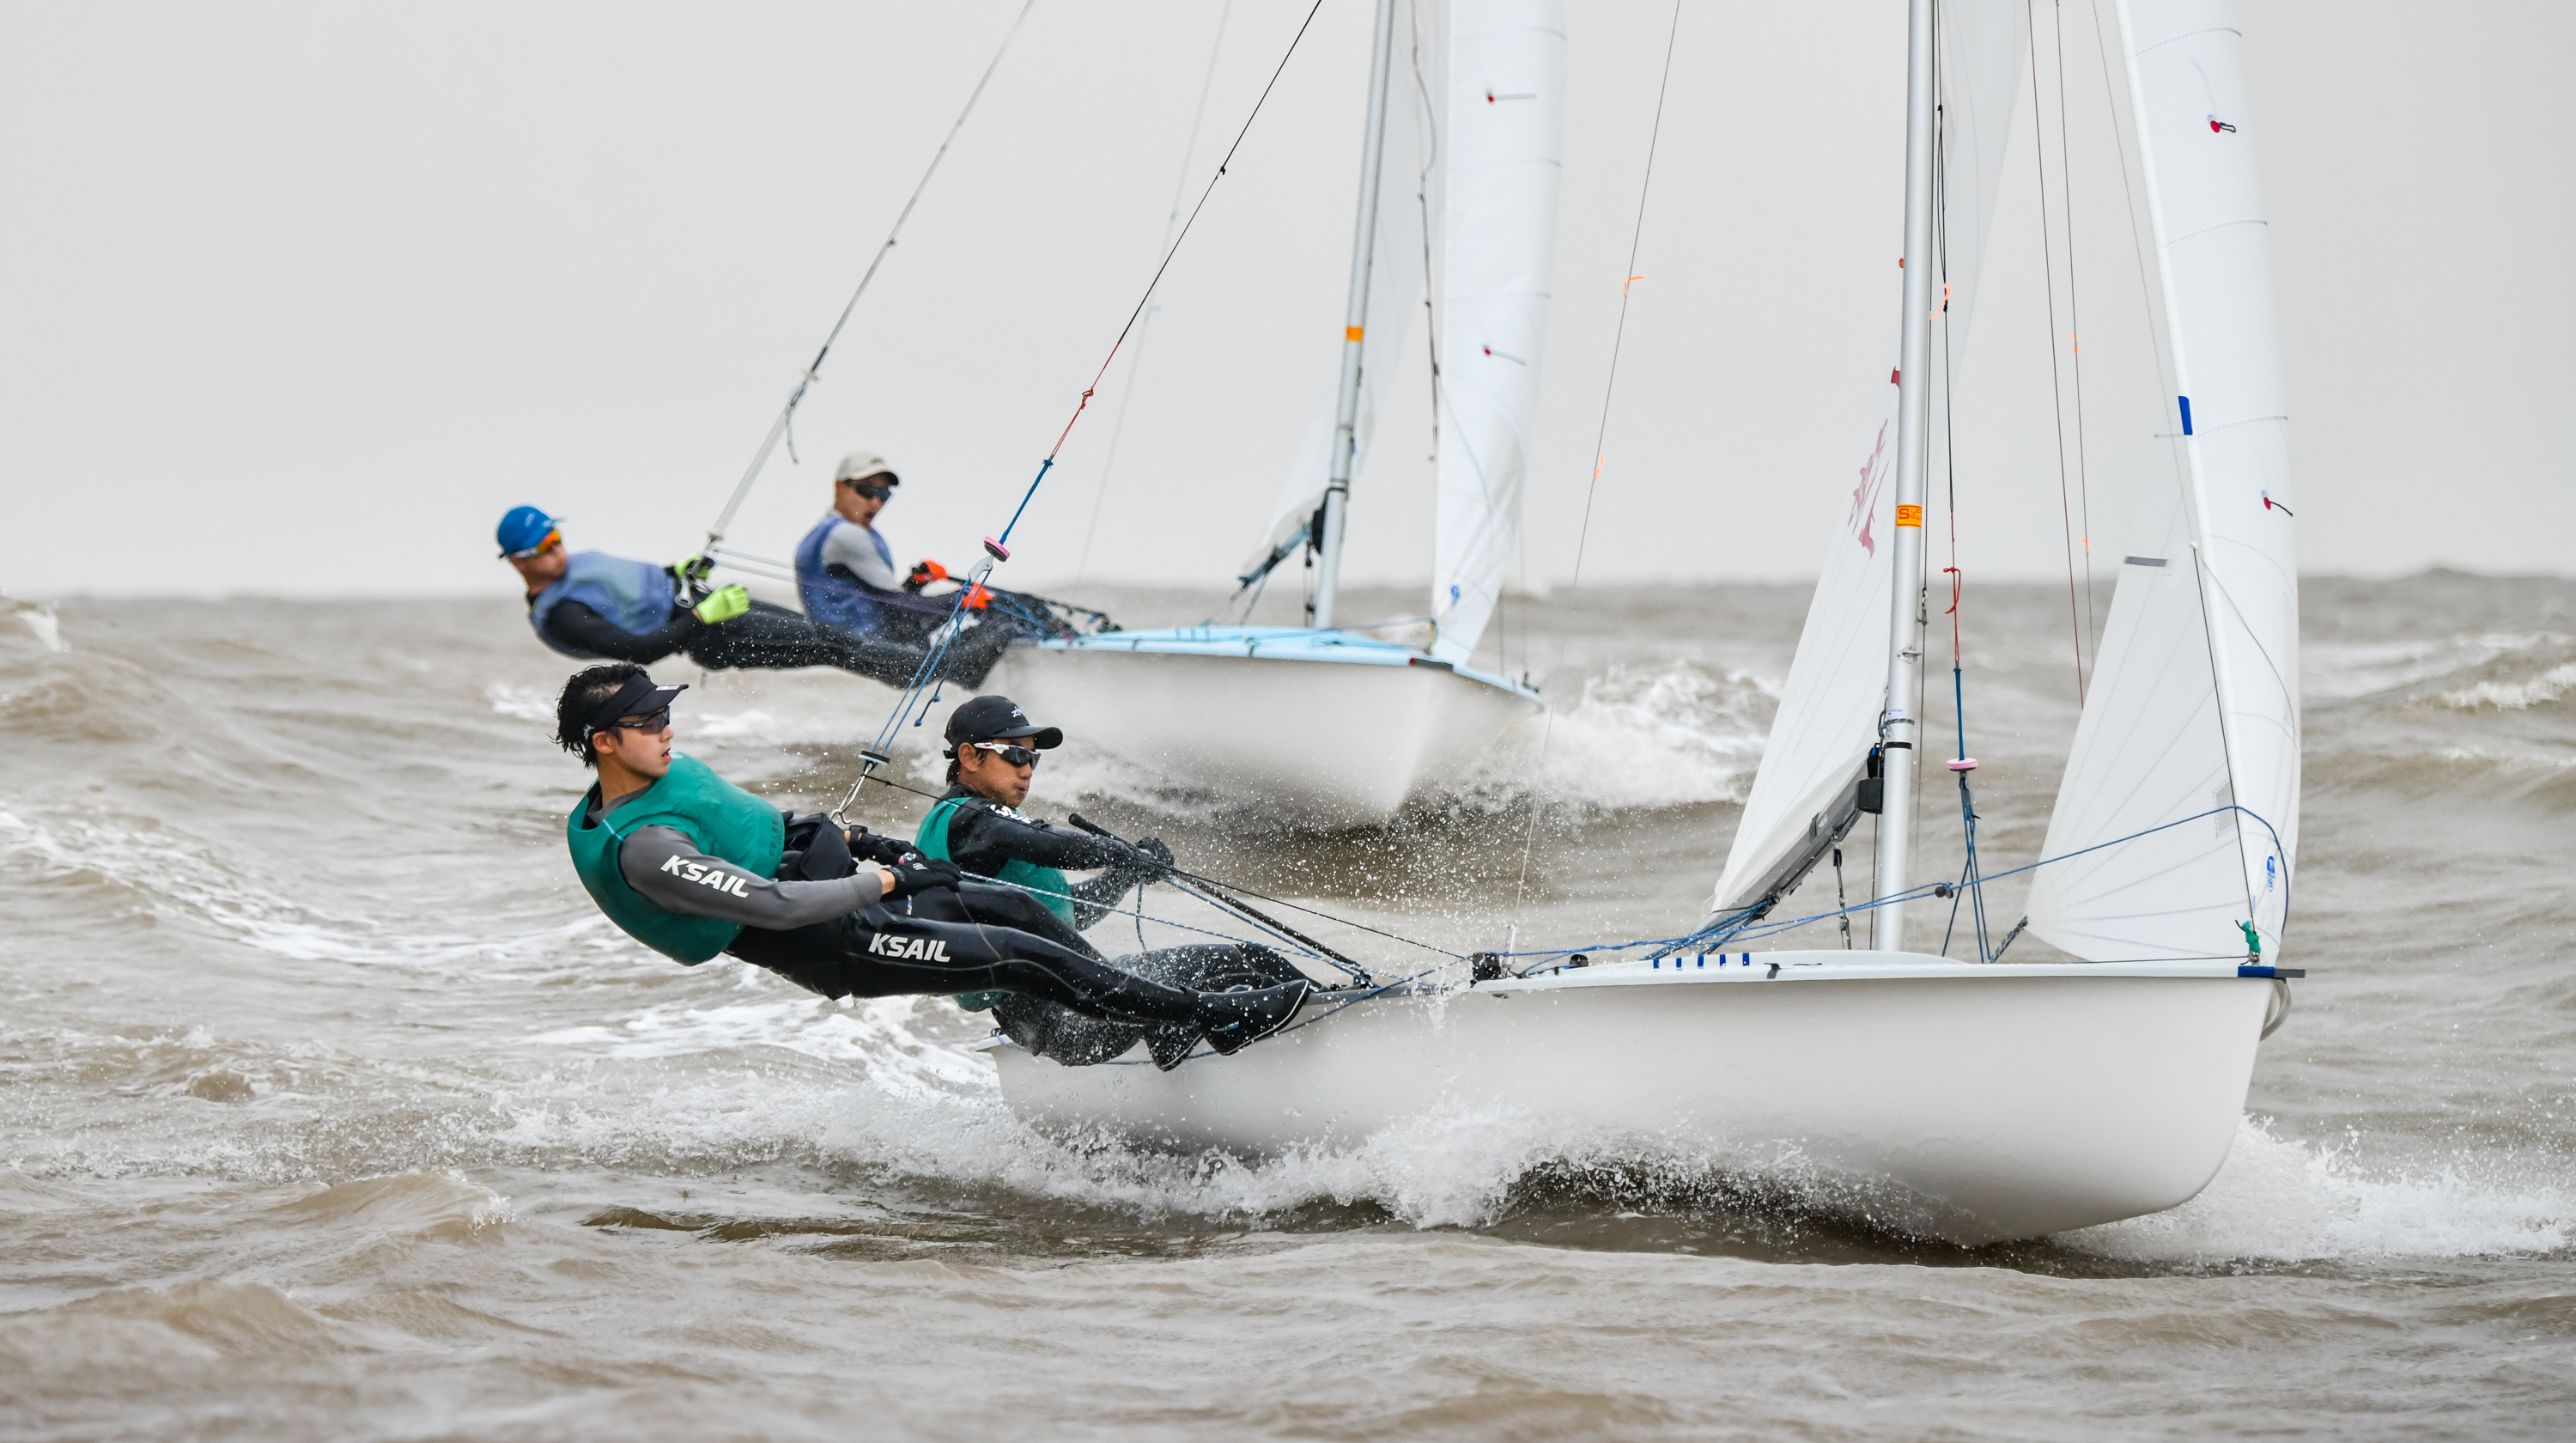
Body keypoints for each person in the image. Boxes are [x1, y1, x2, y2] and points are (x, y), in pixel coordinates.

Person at [553, 662, 1307, 1056]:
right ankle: (1203, 1020)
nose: (667, 727)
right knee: (1016, 955)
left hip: (853, 887)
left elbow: (755, 827)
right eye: (648, 720)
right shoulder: (643, 850)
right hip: (839, 940)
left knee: (1016, 910)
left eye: (666, 712)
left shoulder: (664, 774)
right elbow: (771, 905)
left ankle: (1136, 1009)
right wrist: (883, 877)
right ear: (604, 743)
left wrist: (855, 843)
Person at [499, 504, 1010, 687]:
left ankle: (935, 661)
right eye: (545, 549)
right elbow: (643, 651)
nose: (557, 551)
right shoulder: (560, 615)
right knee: (833, 645)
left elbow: (635, 584)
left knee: (831, 636)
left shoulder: (574, 571)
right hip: (713, 635)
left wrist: (677, 571)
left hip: (713, 609)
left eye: (557, 538)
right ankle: (950, 669)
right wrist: (702, 614)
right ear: (521, 562)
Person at [914, 695, 1174, 933]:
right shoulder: (969, 818)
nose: (1027, 771)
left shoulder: (976, 820)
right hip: (1009, 983)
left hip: (1038, 978)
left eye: (1032, 759)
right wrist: (1121, 853)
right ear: (970, 757)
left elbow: (1069, 913)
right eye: (1015, 754)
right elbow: (1044, 843)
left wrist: (1125, 874)